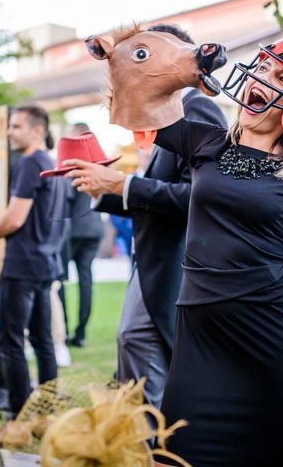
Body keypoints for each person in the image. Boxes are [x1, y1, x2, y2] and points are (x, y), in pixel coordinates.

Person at [65, 36, 283, 466]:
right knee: (174, 457)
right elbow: (133, 101)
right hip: (199, 345)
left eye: (281, 77)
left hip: (271, 347)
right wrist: (141, 49)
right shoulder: (205, 141)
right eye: (263, 66)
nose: (261, 77)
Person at [90, 22, 228, 410]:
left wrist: (123, 185)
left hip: (174, 264)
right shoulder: (158, 114)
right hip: (151, 262)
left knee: (140, 347)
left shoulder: (194, 105)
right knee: (133, 347)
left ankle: (153, 445)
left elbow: (199, 197)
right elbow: (155, 191)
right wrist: (100, 187)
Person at [0, 105, 67, 417]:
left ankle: (18, 412)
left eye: (16, 127)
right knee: (42, 340)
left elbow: (14, 218)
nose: (9, 132)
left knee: (11, 341)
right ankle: (49, 405)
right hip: (45, 264)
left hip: (22, 266)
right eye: (9, 127)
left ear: (37, 130)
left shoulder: (29, 163)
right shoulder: (50, 163)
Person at [58, 123, 105, 348]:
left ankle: (64, 331)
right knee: (86, 281)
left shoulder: (73, 165)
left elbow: (64, 199)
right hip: (94, 228)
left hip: (72, 230)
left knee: (61, 280)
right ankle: (81, 334)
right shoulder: (98, 163)